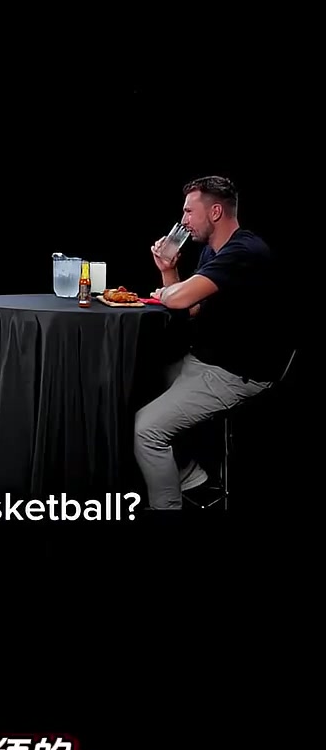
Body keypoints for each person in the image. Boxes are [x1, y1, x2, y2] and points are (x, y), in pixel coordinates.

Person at [134, 175, 279, 510]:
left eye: (188, 211)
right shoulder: (212, 252)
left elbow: (179, 299)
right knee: (132, 385)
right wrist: (168, 270)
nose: (183, 220)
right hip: (204, 361)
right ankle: (188, 474)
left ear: (215, 212)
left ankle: (166, 509)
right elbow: (192, 308)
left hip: (236, 373)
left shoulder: (245, 252)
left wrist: (169, 293)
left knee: (146, 430)